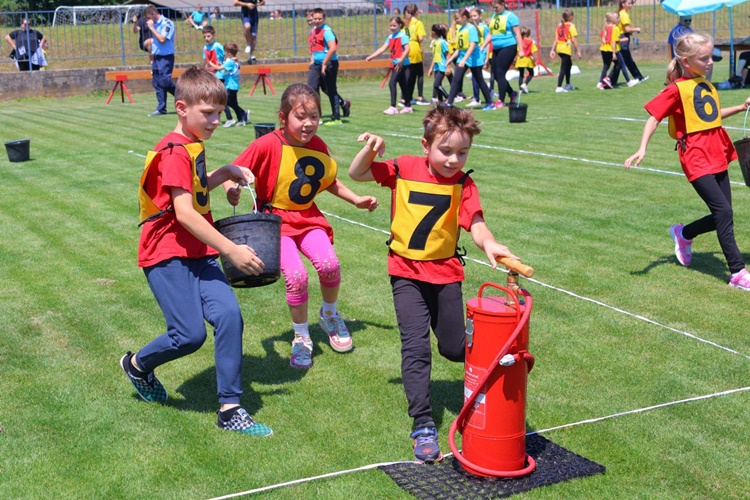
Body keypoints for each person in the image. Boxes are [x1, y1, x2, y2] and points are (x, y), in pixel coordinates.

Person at [348, 105, 520, 463]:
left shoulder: (463, 183)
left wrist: (490, 243)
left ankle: (478, 387)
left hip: (445, 275)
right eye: (446, 151)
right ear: (425, 146)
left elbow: (476, 224)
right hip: (406, 274)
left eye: (462, 152)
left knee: (456, 349)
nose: (454, 159)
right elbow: (358, 172)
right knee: (416, 348)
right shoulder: (404, 167)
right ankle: (422, 425)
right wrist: (371, 148)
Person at [122, 67, 273, 436]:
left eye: (220, 112)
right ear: (181, 108)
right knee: (188, 335)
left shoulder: (192, 144)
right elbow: (184, 212)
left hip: (199, 251)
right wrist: (232, 250)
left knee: (229, 316)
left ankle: (230, 407)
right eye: (208, 113)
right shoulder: (174, 151)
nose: (216, 120)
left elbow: (195, 188)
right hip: (167, 253)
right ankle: (138, 364)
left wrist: (226, 172)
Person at [229, 83, 379, 369]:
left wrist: (356, 199)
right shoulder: (266, 144)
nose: (309, 124)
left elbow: (329, 180)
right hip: (274, 224)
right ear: (283, 117)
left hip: (308, 219)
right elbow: (232, 172)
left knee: (330, 265)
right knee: (296, 276)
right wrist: (230, 189)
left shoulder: (318, 145)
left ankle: (330, 315)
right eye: (301, 117)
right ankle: (301, 336)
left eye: (314, 116)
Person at [625, 33, 750, 291]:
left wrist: (739, 107)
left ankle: (684, 234)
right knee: (724, 212)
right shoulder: (676, 89)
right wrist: (642, 148)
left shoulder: (704, 83)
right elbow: (653, 117)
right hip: (696, 156)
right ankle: (737, 272)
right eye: (704, 58)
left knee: (723, 214)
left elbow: (711, 115)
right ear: (686, 60)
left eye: (710, 57)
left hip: (717, 151)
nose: (710, 62)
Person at [307, 8, 352, 126]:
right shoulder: (312, 31)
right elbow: (314, 49)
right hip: (316, 64)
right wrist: (312, 61)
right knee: (311, 89)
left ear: (324, 18)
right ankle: (316, 116)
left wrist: (324, 63)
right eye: (315, 18)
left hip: (329, 64)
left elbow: (333, 48)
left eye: (319, 18)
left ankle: (336, 118)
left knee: (331, 89)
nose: (317, 21)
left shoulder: (327, 31)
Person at [445, 9, 494, 111]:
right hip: (463, 58)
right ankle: (449, 103)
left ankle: (490, 103)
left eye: (457, 18)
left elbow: (472, 45)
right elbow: (459, 48)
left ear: (464, 18)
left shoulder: (471, 28)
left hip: (474, 59)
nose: (455, 20)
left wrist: (464, 59)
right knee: (456, 80)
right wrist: (451, 58)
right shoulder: (461, 29)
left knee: (480, 80)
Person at [366, 16, 413, 115]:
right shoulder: (390, 37)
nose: (392, 27)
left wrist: (400, 60)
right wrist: (371, 56)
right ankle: (408, 106)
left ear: (400, 25)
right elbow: (382, 49)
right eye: (391, 25)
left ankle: (393, 107)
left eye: (394, 25)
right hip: (396, 64)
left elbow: (407, 49)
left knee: (392, 83)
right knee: (403, 85)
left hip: (402, 64)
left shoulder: (402, 36)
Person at [482, 0, 521, 109]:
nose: (495, 9)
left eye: (496, 7)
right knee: (495, 74)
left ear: (503, 4)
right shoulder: (494, 16)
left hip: (509, 47)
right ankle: (512, 93)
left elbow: (518, 34)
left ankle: (501, 100)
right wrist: (482, 46)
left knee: (500, 73)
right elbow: (490, 34)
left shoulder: (511, 16)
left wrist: (520, 50)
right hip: (497, 48)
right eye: (493, 7)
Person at [145, 5, 177, 117]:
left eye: (149, 17)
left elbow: (162, 39)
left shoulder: (167, 23)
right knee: (157, 83)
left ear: (154, 13)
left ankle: (182, 95)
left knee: (165, 81)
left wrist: (152, 28)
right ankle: (161, 108)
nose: (149, 20)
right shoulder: (155, 24)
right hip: (157, 56)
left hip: (166, 56)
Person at [201, 26, 230, 125]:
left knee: (220, 98)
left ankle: (230, 118)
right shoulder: (205, 47)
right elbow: (206, 61)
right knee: (214, 98)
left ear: (214, 35)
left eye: (208, 36)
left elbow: (226, 57)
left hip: (220, 75)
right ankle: (241, 114)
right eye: (204, 37)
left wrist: (223, 66)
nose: (206, 39)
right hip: (211, 74)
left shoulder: (217, 46)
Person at [550, 9, 581, 93]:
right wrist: (578, 50)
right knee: (563, 67)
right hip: (565, 48)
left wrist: (552, 50)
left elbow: (556, 39)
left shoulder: (559, 26)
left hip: (559, 48)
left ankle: (568, 84)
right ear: (571, 17)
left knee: (569, 64)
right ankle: (559, 86)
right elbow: (574, 40)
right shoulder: (571, 26)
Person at [617, 0, 647, 87]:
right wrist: (636, 29)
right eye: (628, 3)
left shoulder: (622, 13)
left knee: (624, 61)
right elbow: (627, 29)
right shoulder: (624, 14)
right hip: (623, 38)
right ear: (623, 4)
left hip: (623, 37)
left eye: (631, 3)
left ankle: (638, 77)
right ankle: (638, 77)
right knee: (626, 60)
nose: (630, 5)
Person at [465, 7, 490, 108]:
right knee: (475, 76)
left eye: (475, 16)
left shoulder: (484, 27)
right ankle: (480, 95)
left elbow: (487, 42)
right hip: (473, 53)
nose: (473, 18)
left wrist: (487, 57)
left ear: (480, 16)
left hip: (481, 52)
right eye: (471, 16)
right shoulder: (470, 27)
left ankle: (477, 98)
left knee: (477, 76)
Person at [404, 4, 428, 106]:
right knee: (420, 74)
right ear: (416, 12)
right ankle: (420, 96)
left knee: (409, 74)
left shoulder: (405, 23)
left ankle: (406, 96)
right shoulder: (418, 23)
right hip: (414, 47)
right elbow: (421, 38)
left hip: (405, 48)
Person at [221, 43, 250, 127]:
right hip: (234, 86)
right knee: (233, 104)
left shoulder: (230, 62)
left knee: (224, 102)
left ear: (229, 53)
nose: (224, 53)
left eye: (225, 51)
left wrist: (211, 63)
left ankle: (230, 119)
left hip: (231, 86)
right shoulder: (233, 61)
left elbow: (220, 68)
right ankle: (242, 117)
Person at [427, 23, 450, 103]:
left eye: (431, 31)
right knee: (438, 85)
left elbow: (447, 55)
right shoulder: (434, 43)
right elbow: (434, 56)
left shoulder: (442, 42)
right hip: (436, 66)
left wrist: (448, 67)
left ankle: (448, 98)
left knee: (436, 85)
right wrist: (430, 68)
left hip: (442, 66)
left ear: (434, 32)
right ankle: (441, 102)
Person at [598, 13, 621, 90]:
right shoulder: (615, 28)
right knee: (618, 64)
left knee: (606, 65)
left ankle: (601, 82)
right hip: (610, 49)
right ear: (612, 20)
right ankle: (608, 79)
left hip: (604, 48)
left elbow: (602, 38)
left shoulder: (605, 27)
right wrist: (614, 53)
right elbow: (613, 41)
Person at [516, 26, 537, 94]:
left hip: (520, 59)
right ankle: (525, 84)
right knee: (531, 73)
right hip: (527, 59)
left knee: (521, 74)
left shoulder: (519, 41)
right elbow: (534, 50)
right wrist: (535, 59)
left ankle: (520, 90)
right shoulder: (530, 41)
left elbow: (517, 50)